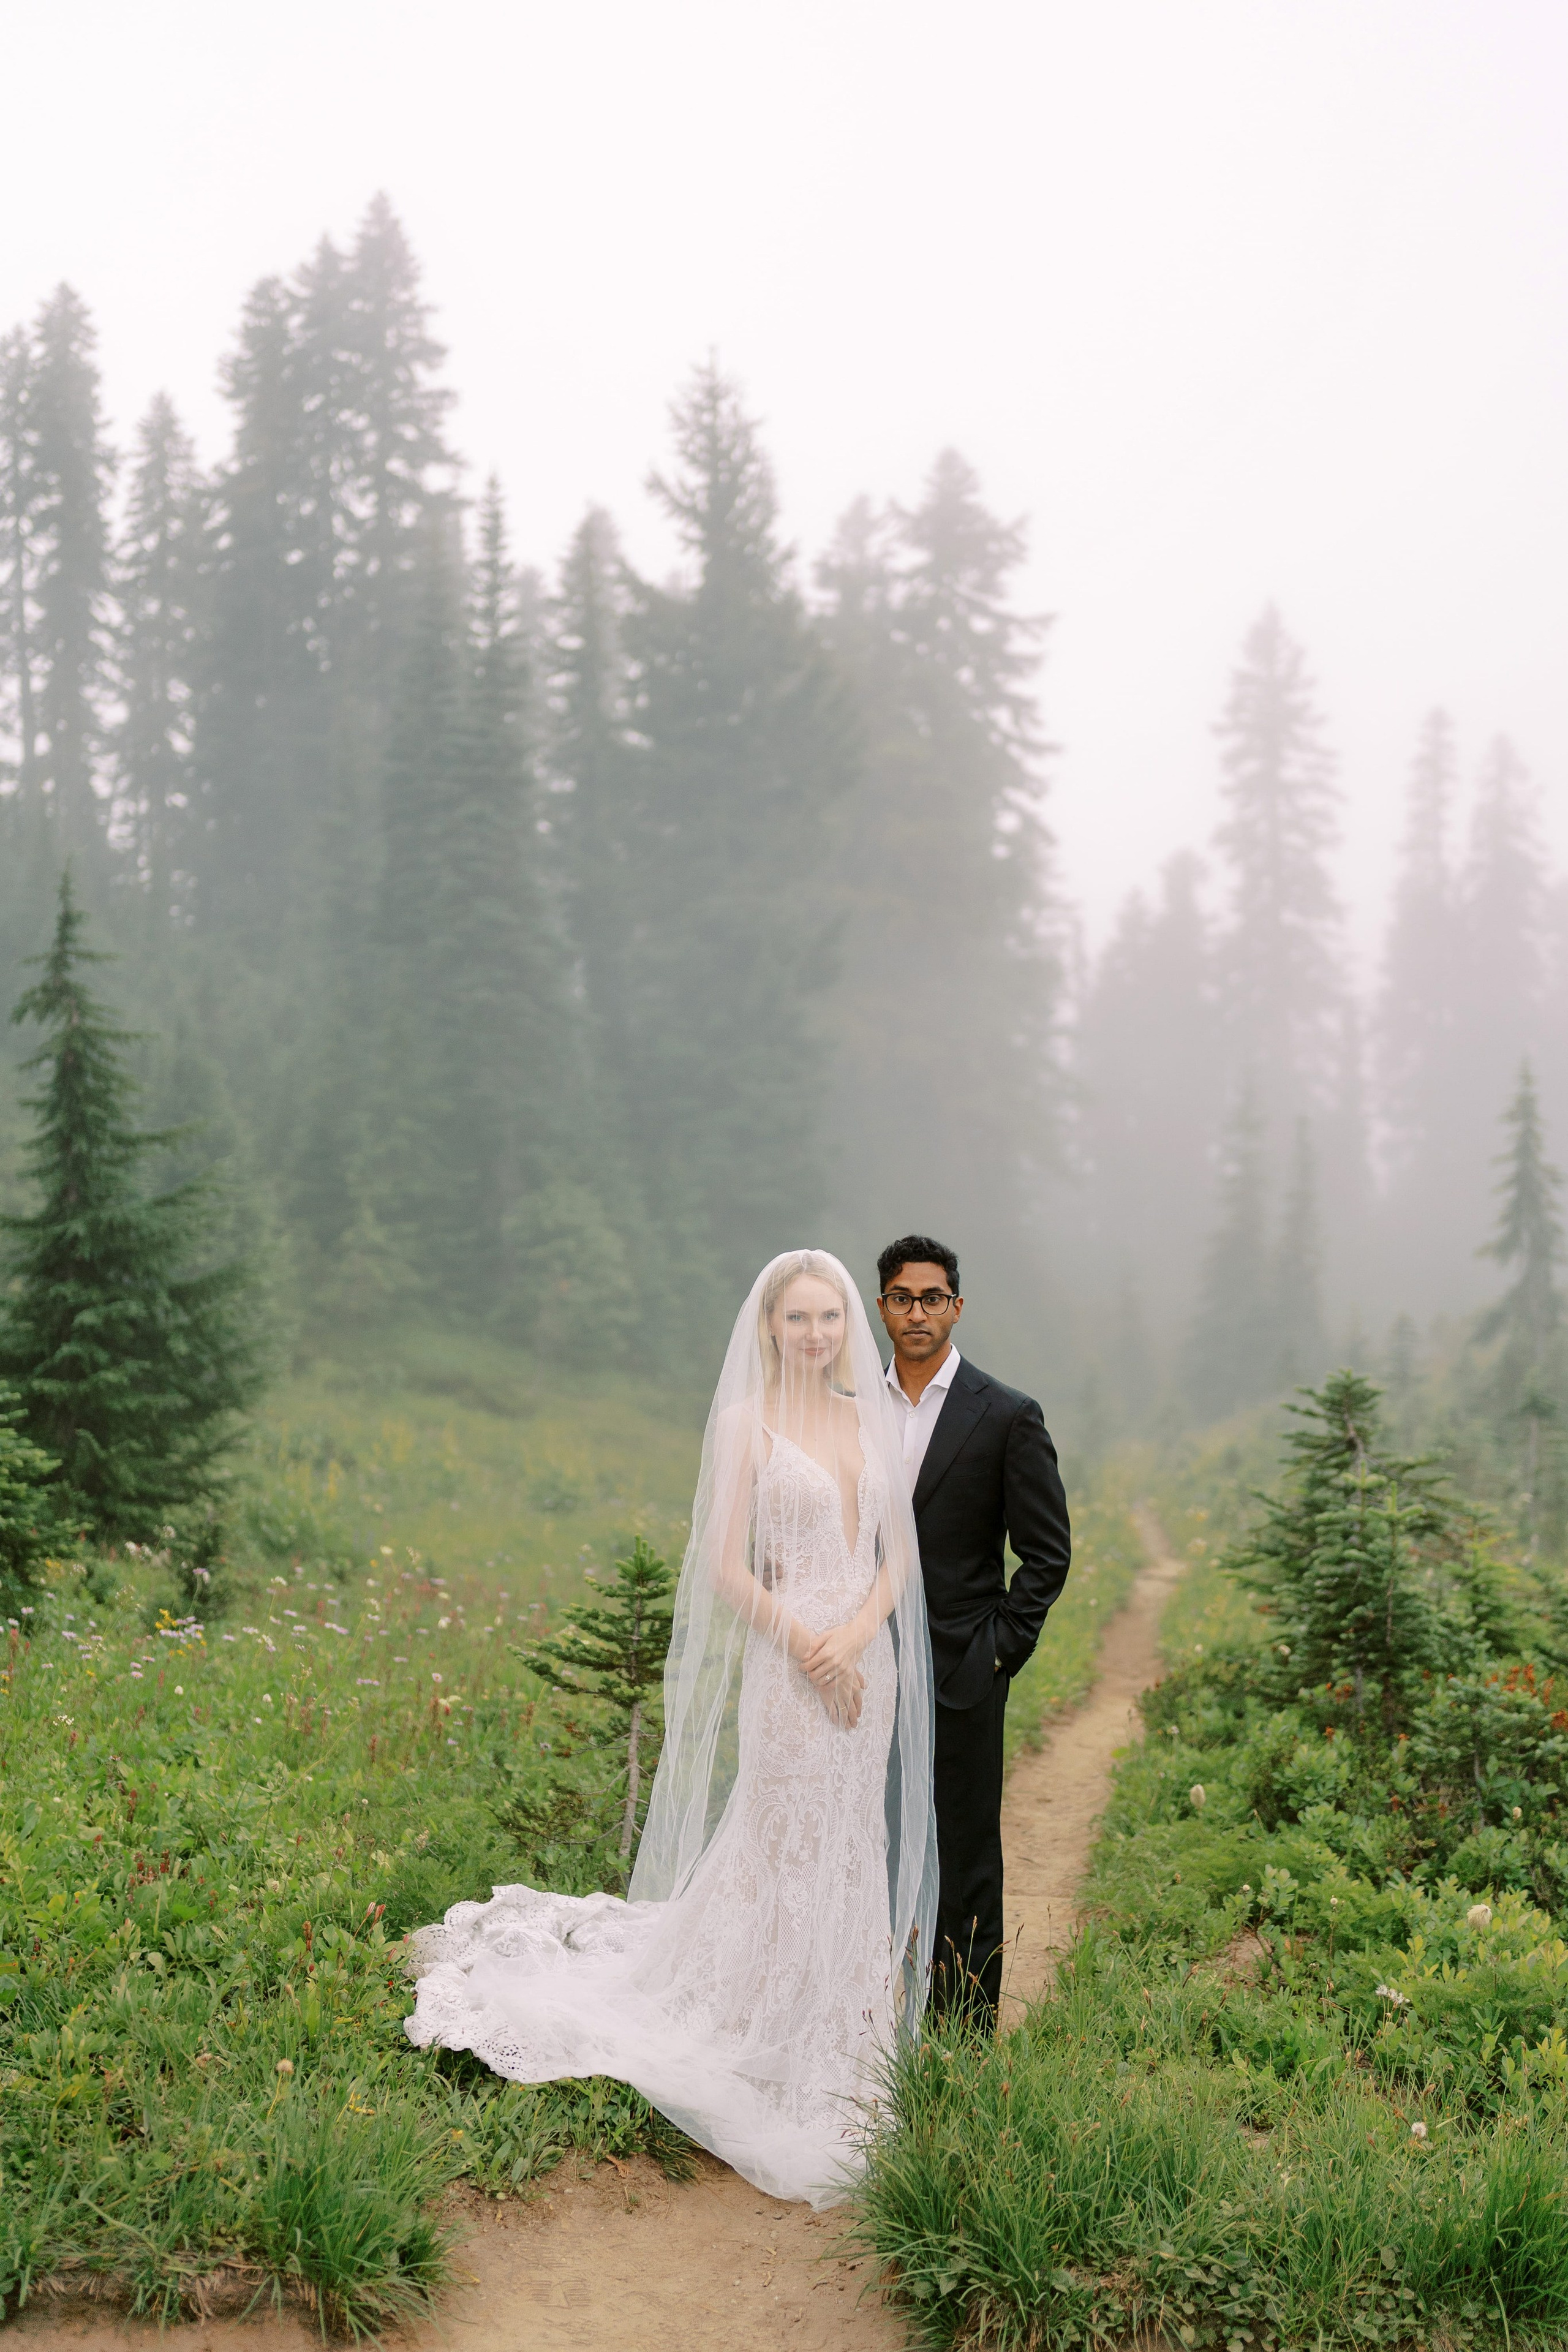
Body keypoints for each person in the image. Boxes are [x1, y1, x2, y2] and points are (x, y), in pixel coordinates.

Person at [404, 1250, 938, 2209]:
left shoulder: (872, 1419)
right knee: (782, 1841)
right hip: (788, 1665)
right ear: (770, 1327)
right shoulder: (746, 1425)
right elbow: (727, 1568)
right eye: (798, 1320)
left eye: (829, 1318)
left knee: (851, 1841)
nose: (816, 1336)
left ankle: (836, 2026)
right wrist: (810, 1646)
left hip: (870, 1666)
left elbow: (897, 1557)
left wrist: (857, 1638)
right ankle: (753, 2018)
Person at [876, 1233, 1071, 2027]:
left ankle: (961, 2037)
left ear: (957, 1306)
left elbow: (1047, 1555)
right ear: (882, 1306)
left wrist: (999, 1651)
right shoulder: (853, 1406)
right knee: (875, 1845)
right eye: (900, 1297)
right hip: (865, 1670)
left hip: (964, 1667)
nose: (916, 1311)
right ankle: (873, 2019)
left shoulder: (1007, 1415)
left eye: (931, 1298)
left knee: (963, 1854)